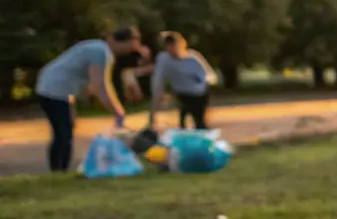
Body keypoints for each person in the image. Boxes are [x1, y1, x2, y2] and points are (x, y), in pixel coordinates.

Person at [33, 28, 145, 172]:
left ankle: (59, 169)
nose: (130, 50)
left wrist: (72, 103)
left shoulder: (96, 47)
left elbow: (75, 74)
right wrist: (117, 111)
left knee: (65, 131)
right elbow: (99, 85)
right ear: (123, 41)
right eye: (131, 46)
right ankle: (58, 171)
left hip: (54, 88)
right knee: (63, 133)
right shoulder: (101, 52)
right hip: (53, 90)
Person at [148, 32, 217, 130]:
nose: (173, 49)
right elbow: (157, 78)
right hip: (181, 93)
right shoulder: (164, 59)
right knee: (183, 118)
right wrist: (159, 93)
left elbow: (209, 75)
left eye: (175, 45)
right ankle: (184, 135)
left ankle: (201, 135)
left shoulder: (193, 58)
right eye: (169, 46)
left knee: (199, 120)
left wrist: (204, 83)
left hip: (199, 94)